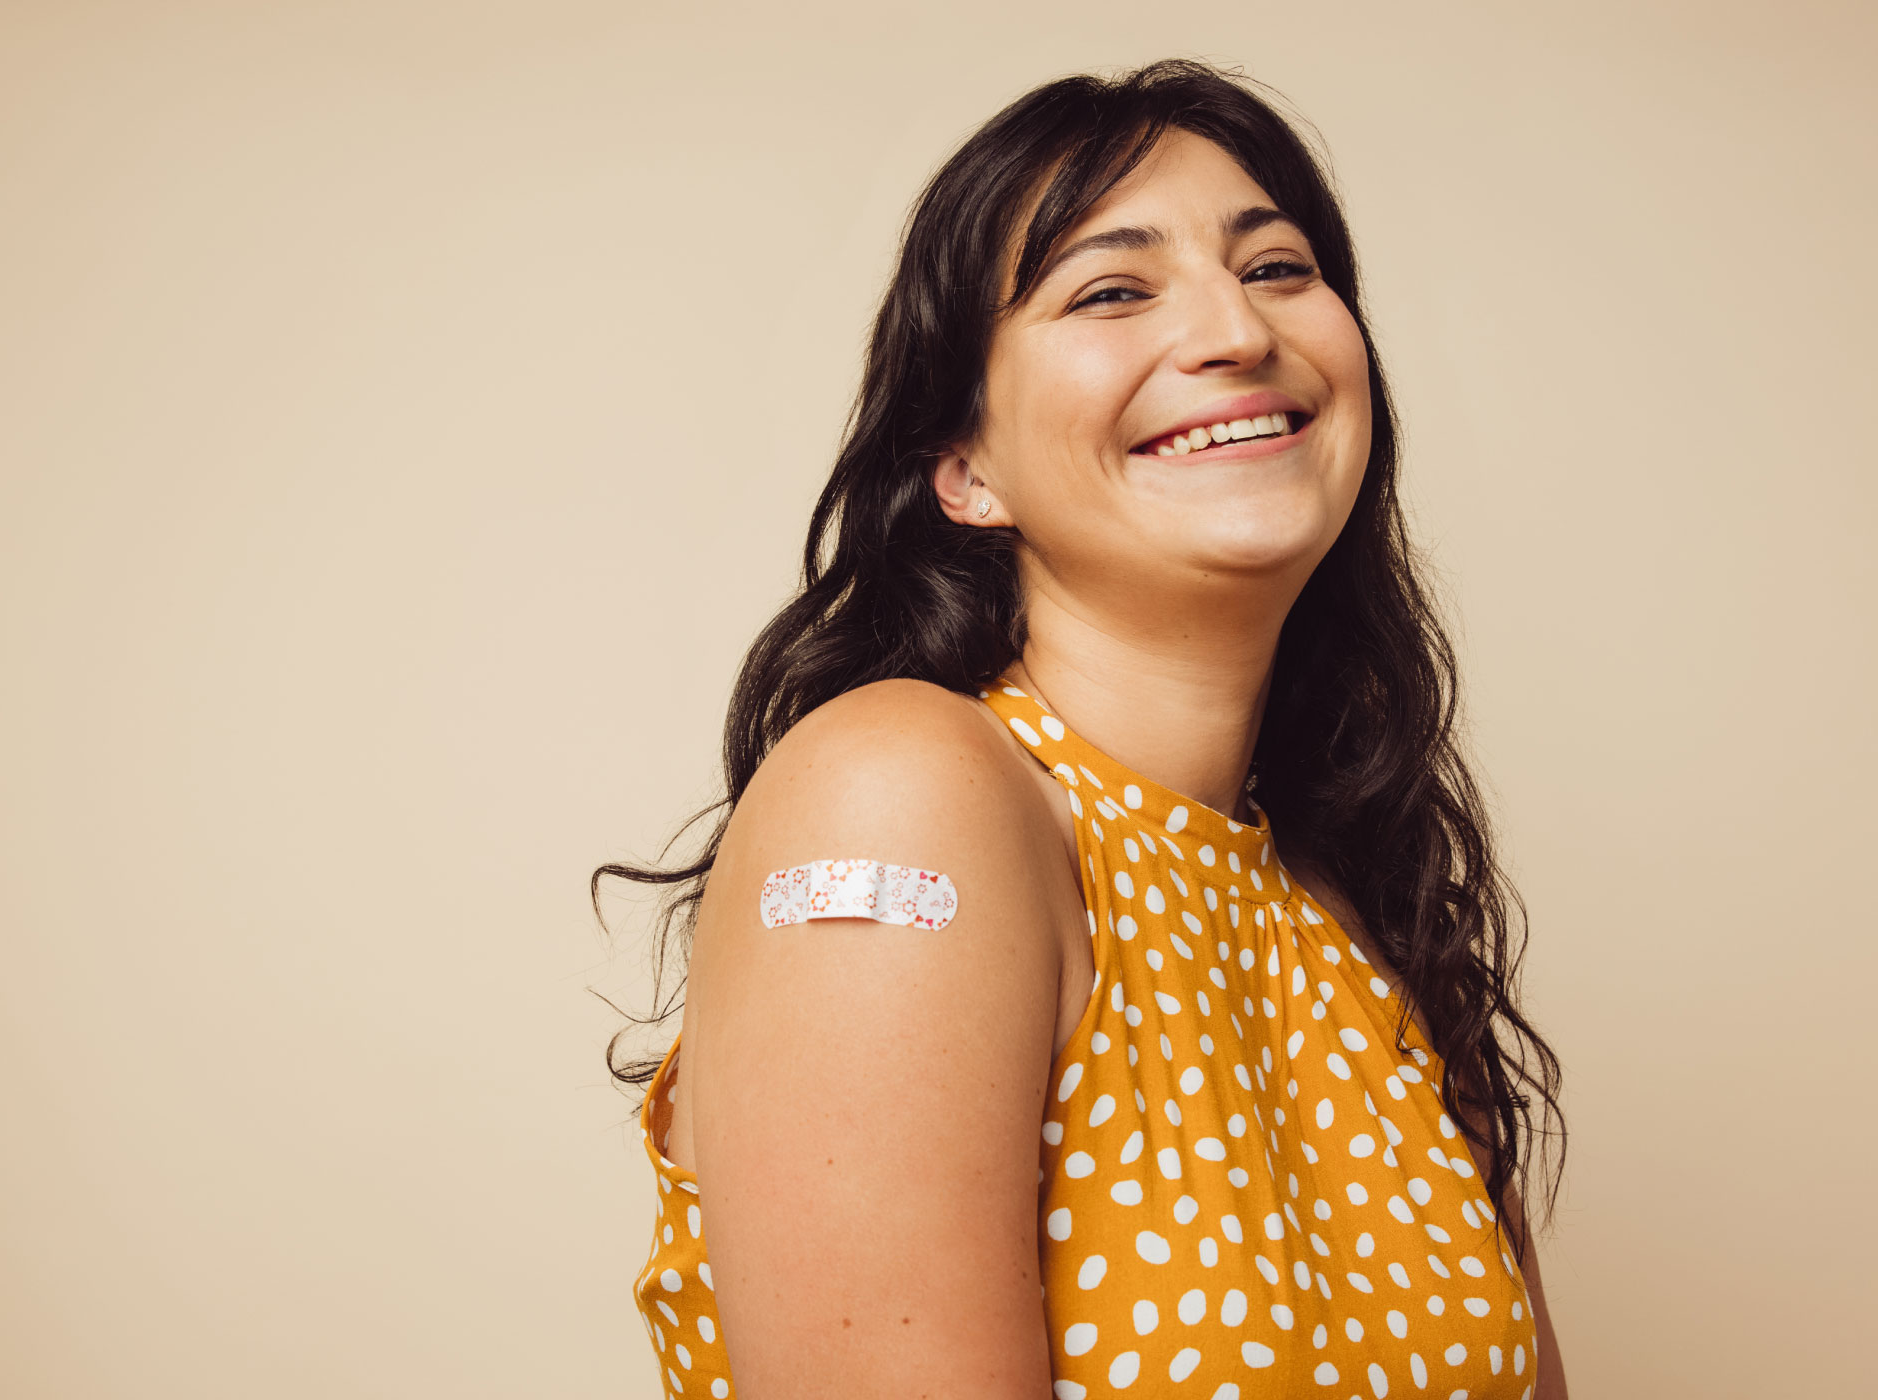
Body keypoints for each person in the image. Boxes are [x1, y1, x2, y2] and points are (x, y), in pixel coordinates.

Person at [602, 58, 1568, 1400]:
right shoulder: (897, 799)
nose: (1236, 329)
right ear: (966, 469)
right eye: (1113, 288)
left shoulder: (1351, 906)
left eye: (1280, 268)